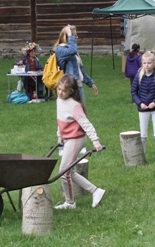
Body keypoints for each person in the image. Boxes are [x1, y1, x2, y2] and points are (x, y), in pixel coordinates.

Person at [53, 74, 105, 210]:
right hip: (68, 139)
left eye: (64, 91)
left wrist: (96, 141)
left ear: (71, 91)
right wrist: (60, 136)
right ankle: (96, 191)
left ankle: (70, 203)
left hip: (76, 139)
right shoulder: (59, 100)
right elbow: (60, 120)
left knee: (64, 172)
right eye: (59, 89)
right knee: (68, 172)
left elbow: (86, 124)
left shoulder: (75, 106)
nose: (60, 93)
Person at [131, 51, 155, 163]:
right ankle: (142, 157)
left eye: (149, 63)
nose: (147, 65)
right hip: (143, 109)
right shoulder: (138, 75)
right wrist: (140, 103)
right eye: (144, 63)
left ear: (154, 63)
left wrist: (154, 102)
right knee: (143, 135)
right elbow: (133, 92)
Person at [54, 25, 98, 104]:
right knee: (71, 113)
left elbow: (80, 71)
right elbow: (73, 50)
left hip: (78, 86)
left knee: (80, 113)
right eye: (75, 35)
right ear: (67, 37)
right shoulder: (60, 50)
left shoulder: (72, 50)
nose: (76, 37)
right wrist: (70, 34)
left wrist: (91, 83)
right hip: (69, 88)